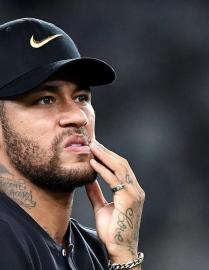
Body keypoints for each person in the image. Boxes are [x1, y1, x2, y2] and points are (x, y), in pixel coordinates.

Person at [0, 18, 145, 270]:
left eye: (81, 97)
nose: (78, 116)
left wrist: (123, 256)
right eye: (45, 99)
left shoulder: (95, 249)